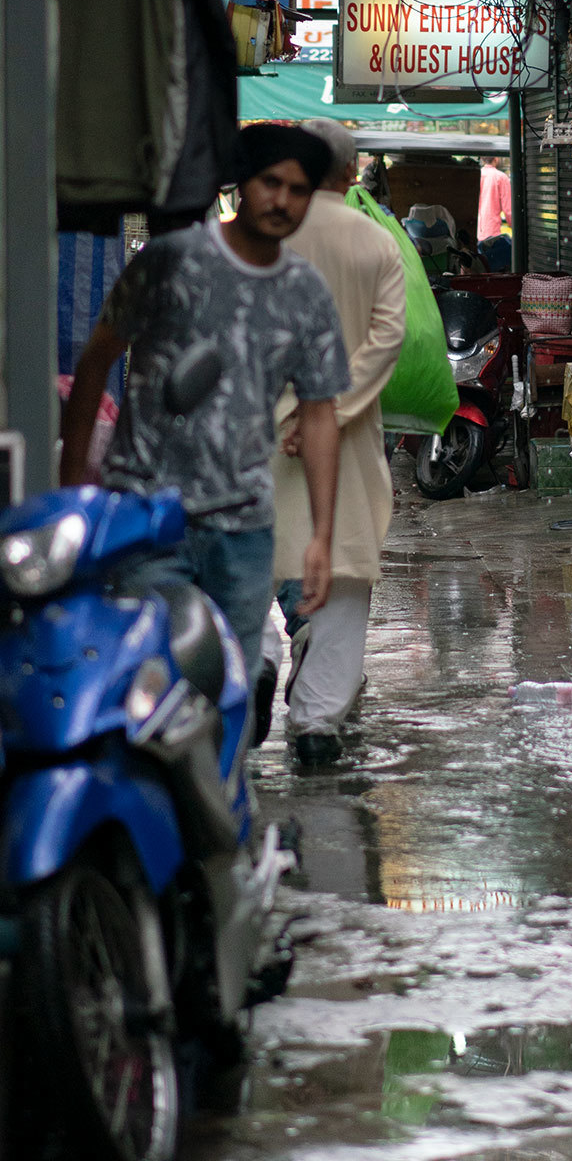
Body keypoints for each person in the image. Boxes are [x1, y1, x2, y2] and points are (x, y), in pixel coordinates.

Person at [60, 123, 350, 684]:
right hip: (147, 516)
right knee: (145, 683)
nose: (282, 200)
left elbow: (320, 414)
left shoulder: (307, 294)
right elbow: (95, 362)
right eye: (271, 183)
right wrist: (76, 491)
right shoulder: (169, 263)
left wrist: (321, 536)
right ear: (243, 183)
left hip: (241, 528)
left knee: (229, 689)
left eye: (298, 190)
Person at [263, 117, 407, 767]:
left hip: (261, 434)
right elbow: (388, 339)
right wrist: (335, 408)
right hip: (344, 446)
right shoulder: (375, 243)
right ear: (351, 175)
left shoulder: (264, 234)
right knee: (343, 586)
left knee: (247, 568)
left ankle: (258, 663)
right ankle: (316, 724)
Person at [477, 156, 512, 241]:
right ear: (496, 159)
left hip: (473, 230)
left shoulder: (477, 174)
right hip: (491, 233)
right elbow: (509, 210)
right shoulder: (501, 177)